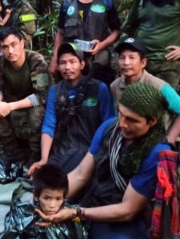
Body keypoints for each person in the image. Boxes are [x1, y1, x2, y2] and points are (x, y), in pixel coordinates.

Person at [36, 83, 172, 239]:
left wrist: (76, 213)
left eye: (132, 120)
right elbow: (80, 174)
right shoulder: (109, 128)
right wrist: (47, 198)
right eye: (121, 113)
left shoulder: (156, 153)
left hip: (126, 218)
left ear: (152, 122)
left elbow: (128, 210)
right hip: (96, 201)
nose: (122, 124)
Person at [29, 43, 115, 175]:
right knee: (42, 177)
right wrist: (44, 159)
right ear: (58, 66)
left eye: (72, 62)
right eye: (63, 62)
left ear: (82, 65)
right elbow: (49, 125)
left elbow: (109, 124)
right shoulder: (55, 91)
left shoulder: (99, 88)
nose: (67, 67)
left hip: (90, 151)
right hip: (63, 150)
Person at [0, 27, 51, 164]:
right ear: (1, 49)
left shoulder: (35, 60)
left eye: (13, 45)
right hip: (12, 101)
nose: (10, 51)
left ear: (22, 43)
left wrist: (9, 107)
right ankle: (12, 151)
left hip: (34, 104)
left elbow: (42, 96)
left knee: (37, 113)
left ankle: (36, 153)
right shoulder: (1, 61)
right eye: (5, 47)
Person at [51, 0, 121, 85]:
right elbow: (60, 32)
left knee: (99, 95)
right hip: (72, 63)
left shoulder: (105, 3)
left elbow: (116, 31)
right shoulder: (67, 4)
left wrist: (101, 45)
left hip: (99, 62)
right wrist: (55, 57)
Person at [110, 38, 180, 144]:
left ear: (143, 62)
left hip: (155, 139)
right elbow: (118, 115)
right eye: (122, 58)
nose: (126, 63)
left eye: (132, 58)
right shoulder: (115, 86)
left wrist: (169, 140)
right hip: (129, 136)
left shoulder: (158, 86)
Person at [2, 164, 87, 239]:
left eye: (58, 199)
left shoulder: (71, 215)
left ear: (64, 198)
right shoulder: (24, 216)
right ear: (36, 196)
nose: (52, 205)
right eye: (47, 198)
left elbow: (82, 221)